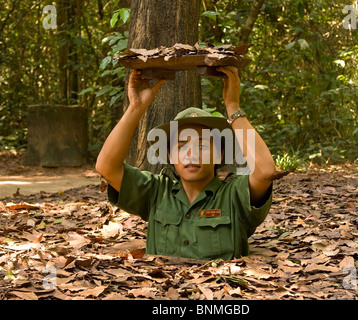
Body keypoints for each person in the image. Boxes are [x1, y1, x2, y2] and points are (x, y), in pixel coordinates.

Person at [96, 66, 277, 260]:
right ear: (170, 155)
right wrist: (135, 107)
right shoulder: (155, 192)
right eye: (181, 146)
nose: (191, 154)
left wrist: (233, 107)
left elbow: (266, 171)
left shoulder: (234, 195)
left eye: (202, 145)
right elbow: (106, 167)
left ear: (219, 154)